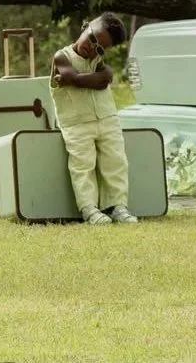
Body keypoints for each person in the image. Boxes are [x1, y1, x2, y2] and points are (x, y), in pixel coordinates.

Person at [50, 13, 136, 225]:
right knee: (82, 165)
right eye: (92, 38)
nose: (92, 48)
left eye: (100, 49)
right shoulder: (62, 57)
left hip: (106, 118)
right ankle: (89, 208)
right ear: (85, 27)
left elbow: (104, 78)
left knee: (116, 161)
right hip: (76, 122)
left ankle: (117, 205)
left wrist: (80, 80)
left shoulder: (97, 60)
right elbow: (77, 77)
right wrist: (89, 79)